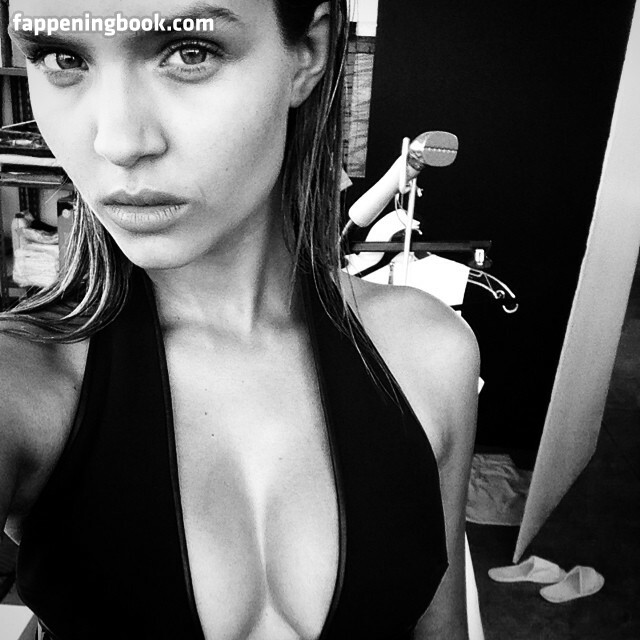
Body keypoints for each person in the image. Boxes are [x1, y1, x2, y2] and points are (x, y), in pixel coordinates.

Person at [0, 0, 480, 638]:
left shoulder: (429, 354)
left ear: (307, 53)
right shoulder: (24, 383)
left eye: (190, 52)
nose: (117, 142)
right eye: (63, 57)